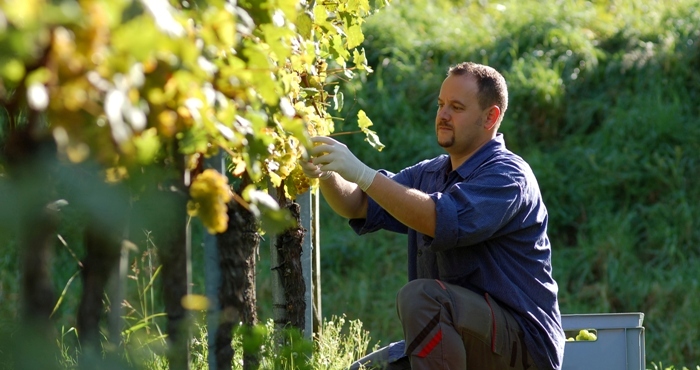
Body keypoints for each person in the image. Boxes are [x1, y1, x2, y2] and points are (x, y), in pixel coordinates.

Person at [300, 62, 565, 370]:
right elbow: (358, 204)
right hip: (462, 336)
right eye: (441, 105)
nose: (443, 115)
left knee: (424, 297)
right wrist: (328, 171)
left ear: (490, 117)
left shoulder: (508, 176)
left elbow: (439, 219)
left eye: (457, 107)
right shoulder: (432, 173)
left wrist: (362, 172)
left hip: (524, 351)